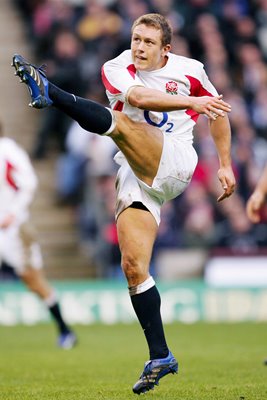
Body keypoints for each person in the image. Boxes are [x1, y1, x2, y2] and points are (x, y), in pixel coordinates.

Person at [12, 13, 236, 394]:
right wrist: (194, 101)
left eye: (149, 42)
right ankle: (161, 355)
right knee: (133, 268)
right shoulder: (116, 68)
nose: (139, 47)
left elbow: (217, 114)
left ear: (166, 48)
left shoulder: (190, 70)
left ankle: (52, 93)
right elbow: (139, 97)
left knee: (124, 125)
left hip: (176, 160)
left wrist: (227, 164)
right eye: (136, 38)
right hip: (136, 173)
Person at [0, 121, 77, 349]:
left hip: (14, 229)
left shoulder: (8, 150)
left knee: (32, 279)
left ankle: (65, 330)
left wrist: (13, 214)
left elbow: (29, 182)